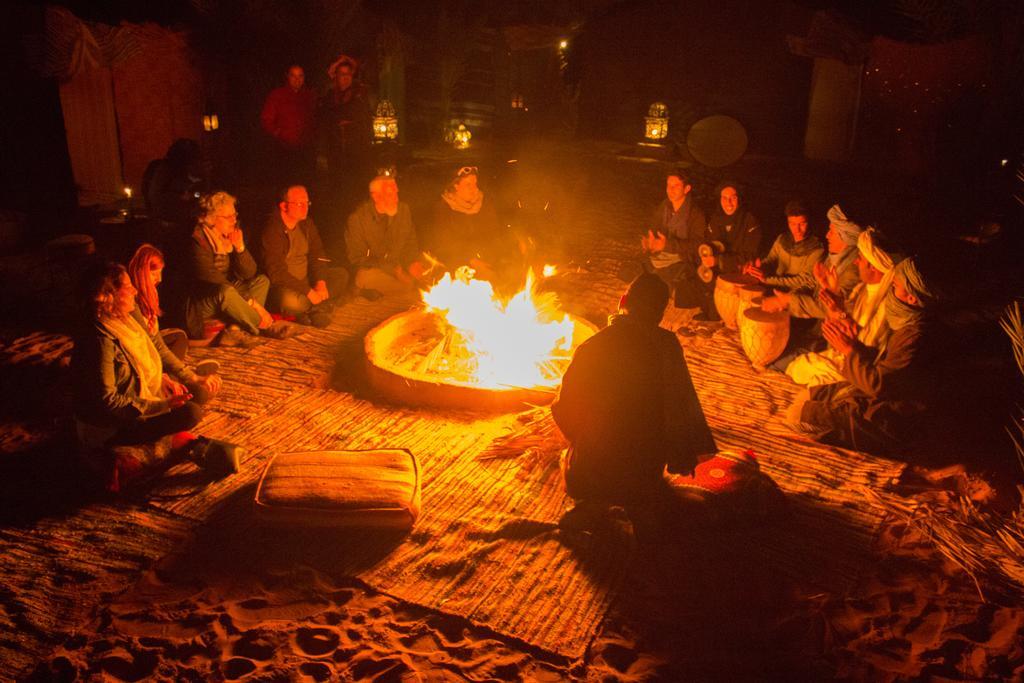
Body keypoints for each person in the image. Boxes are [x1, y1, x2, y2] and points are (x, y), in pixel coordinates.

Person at [552, 273, 717, 537]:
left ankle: (594, 502)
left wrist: (583, 440)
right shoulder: (667, 346)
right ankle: (640, 503)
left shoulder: (592, 345)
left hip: (590, 471)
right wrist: (683, 455)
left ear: (623, 301)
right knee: (640, 480)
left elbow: (563, 407)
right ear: (660, 313)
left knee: (579, 457)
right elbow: (681, 409)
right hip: (643, 470)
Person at [71, 261, 222, 488]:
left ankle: (159, 437)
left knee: (198, 392)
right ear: (109, 295)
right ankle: (132, 450)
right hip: (113, 423)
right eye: (128, 286)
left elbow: (151, 353)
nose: (135, 291)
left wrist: (175, 378)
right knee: (190, 413)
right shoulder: (99, 339)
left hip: (144, 393)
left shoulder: (129, 315)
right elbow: (108, 402)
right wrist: (162, 406)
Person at [786, 257, 936, 455]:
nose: (890, 291)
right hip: (867, 387)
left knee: (795, 416)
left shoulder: (913, 336)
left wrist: (850, 349)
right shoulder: (905, 323)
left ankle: (864, 442)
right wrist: (854, 341)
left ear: (911, 298)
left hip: (888, 414)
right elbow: (880, 361)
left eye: (895, 286)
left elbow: (879, 385)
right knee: (806, 395)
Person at [785, 228, 899, 386]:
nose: (855, 261)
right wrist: (833, 299)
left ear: (873, 266)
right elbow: (837, 329)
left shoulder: (887, 304)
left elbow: (864, 349)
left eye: (860, 258)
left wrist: (841, 315)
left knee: (800, 370)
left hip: (857, 367)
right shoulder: (862, 288)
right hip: (838, 355)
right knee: (797, 366)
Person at [184, 191, 293, 343]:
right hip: (200, 303)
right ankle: (262, 325)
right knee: (226, 292)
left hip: (226, 291)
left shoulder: (226, 237)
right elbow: (214, 280)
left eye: (234, 215)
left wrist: (240, 248)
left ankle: (235, 329)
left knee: (262, 281)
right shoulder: (197, 241)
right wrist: (253, 304)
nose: (234, 220)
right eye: (228, 217)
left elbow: (249, 273)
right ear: (212, 218)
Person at [262, 185, 349, 327]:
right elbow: (276, 273)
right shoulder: (272, 230)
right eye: (299, 203)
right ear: (284, 206)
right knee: (290, 302)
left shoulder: (307, 224)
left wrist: (320, 282)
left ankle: (311, 310)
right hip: (285, 287)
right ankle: (317, 308)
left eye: (307, 203)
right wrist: (308, 292)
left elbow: (318, 254)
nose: (305, 207)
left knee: (341, 275)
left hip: (307, 280)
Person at [675, 181, 761, 324]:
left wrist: (719, 261)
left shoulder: (750, 222)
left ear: (739, 199)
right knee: (695, 275)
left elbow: (749, 255)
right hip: (717, 267)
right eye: (724, 198)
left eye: (733, 197)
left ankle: (717, 316)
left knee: (720, 291)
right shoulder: (716, 220)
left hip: (738, 270)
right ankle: (707, 310)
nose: (728, 202)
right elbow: (709, 243)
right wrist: (705, 256)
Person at [761, 204, 863, 318]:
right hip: (794, 301)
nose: (827, 235)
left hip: (826, 327)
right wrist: (787, 297)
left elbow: (829, 307)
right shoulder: (833, 258)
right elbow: (812, 283)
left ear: (846, 239)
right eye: (792, 224)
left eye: (832, 232)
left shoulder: (853, 269)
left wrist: (787, 300)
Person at [427, 165, 512, 283]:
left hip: (486, 259)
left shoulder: (484, 205)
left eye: (475, 183)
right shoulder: (444, 209)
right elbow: (445, 246)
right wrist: (471, 260)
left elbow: (494, 235)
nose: (474, 188)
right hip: (457, 263)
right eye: (468, 184)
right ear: (456, 186)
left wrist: (498, 258)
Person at [345, 174, 426, 296]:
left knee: (431, 265)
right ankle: (367, 289)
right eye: (390, 194)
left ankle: (408, 284)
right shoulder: (358, 219)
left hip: (399, 266)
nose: (396, 199)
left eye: (396, 193)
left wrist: (412, 263)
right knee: (365, 277)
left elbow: (411, 243)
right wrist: (394, 271)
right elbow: (357, 258)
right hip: (376, 270)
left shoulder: (403, 210)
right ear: (376, 197)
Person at [318, 55, 373, 224]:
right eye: (341, 74)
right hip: (336, 152)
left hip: (356, 151)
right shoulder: (330, 95)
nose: (345, 77)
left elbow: (360, 116)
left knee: (355, 189)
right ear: (336, 76)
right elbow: (327, 117)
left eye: (348, 74)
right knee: (338, 189)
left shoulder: (359, 94)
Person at [640, 168, 708, 302]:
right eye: (668, 185)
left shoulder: (695, 214)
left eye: (676, 186)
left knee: (666, 279)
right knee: (639, 267)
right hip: (663, 253)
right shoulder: (665, 206)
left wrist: (667, 245)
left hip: (683, 257)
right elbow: (654, 226)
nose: (671, 190)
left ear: (687, 188)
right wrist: (649, 241)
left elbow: (697, 245)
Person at [743, 200, 824, 294]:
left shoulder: (817, 249)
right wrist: (758, 269)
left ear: (809, 222)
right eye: (793, 224)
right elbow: (771, 260)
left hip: (794, 296)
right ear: (788, 222)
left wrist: (767, 280)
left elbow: (803, 281)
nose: (797, 229)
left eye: (802, 224)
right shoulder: (782, 239)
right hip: (772, 288)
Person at [260, 65, 317, 187]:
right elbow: (266, 119)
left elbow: (315, 119)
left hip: (305, 150)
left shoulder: (309, 96)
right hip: (284, 149)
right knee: (285, 183)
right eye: (293, 75)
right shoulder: (277, 95)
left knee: (305, 182)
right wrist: (279, 133)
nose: (297, 79)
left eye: (300, 76)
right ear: (287, 77)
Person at [141, 138, 203, 230]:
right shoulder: (165, 170)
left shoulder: (186, 171)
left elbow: (197, 192)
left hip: (184, 220)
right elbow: (156, 196)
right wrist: (181, 196)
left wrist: (195, 194)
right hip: (167, 222)